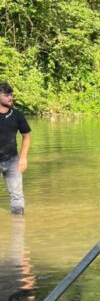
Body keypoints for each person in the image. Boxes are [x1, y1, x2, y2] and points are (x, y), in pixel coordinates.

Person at [0, 83, 31, 215]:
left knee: (17, 198)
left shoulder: (17, 115)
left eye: (11, 95)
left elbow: (26, 136)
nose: (10, 98)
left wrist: (23, 159)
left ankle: (18, 230)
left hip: (13, 161)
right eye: (7, 95)